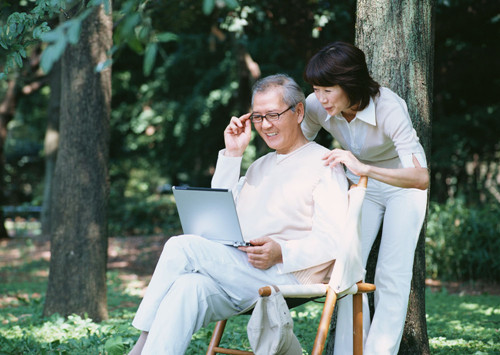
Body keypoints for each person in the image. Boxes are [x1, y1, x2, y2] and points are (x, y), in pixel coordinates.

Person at [128, 74, 364, 354]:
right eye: (258, 117)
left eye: (273, 115)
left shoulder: (325, 164)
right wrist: (233, 154)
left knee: (180, 246)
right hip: (240, 270)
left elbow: (334, 240)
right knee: (187, 288)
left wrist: (281, 252)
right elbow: (219, 216)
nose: (265, 125)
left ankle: (140, 344)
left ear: (298, 111)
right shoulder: (258, 166)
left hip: (285, 276)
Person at [302, 41, 429, 355]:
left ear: (350, 83)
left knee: (391, 272)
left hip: (403, 184)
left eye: (327, 90)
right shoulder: (317, 106)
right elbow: (298, 146)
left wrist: (363, 167)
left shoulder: (389, 106)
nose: (320, 98)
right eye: (316, 89)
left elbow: (421, 178)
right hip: (361, 185)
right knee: (348, 267)